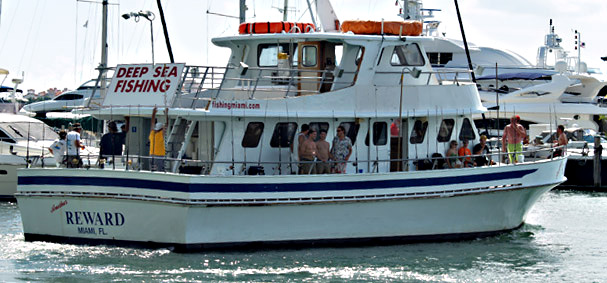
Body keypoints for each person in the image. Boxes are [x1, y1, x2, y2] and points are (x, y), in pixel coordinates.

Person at [149, 107, 168, 171]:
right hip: (159, 156)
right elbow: (167, 124)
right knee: (160, 171)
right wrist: (166, 114)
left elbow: (152, 122)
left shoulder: (152, 133)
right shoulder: (160, 134)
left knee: (152, 171)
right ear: (161, 129)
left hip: (151, 155)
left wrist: (153, 113)